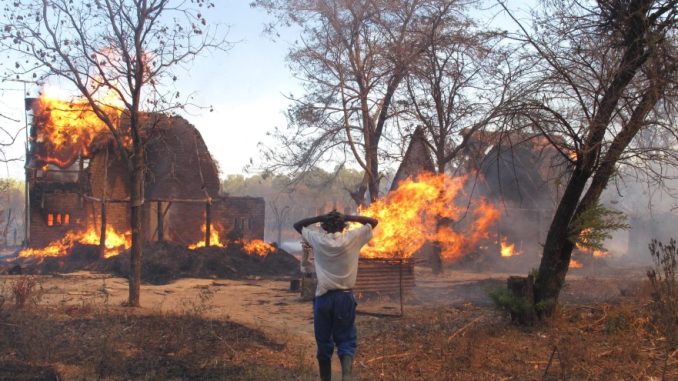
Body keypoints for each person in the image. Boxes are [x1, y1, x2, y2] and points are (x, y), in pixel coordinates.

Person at [294, 210, 378, 381]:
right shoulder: (352, 238)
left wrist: (319, 217)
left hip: (323, 298)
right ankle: (346, 376)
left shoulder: (318, 240)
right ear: (344, 226)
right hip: (345, 298)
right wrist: (348, 217)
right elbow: (373, 222)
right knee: (346, 340)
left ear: (324, 228)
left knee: (323, 342)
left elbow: (297, 225)